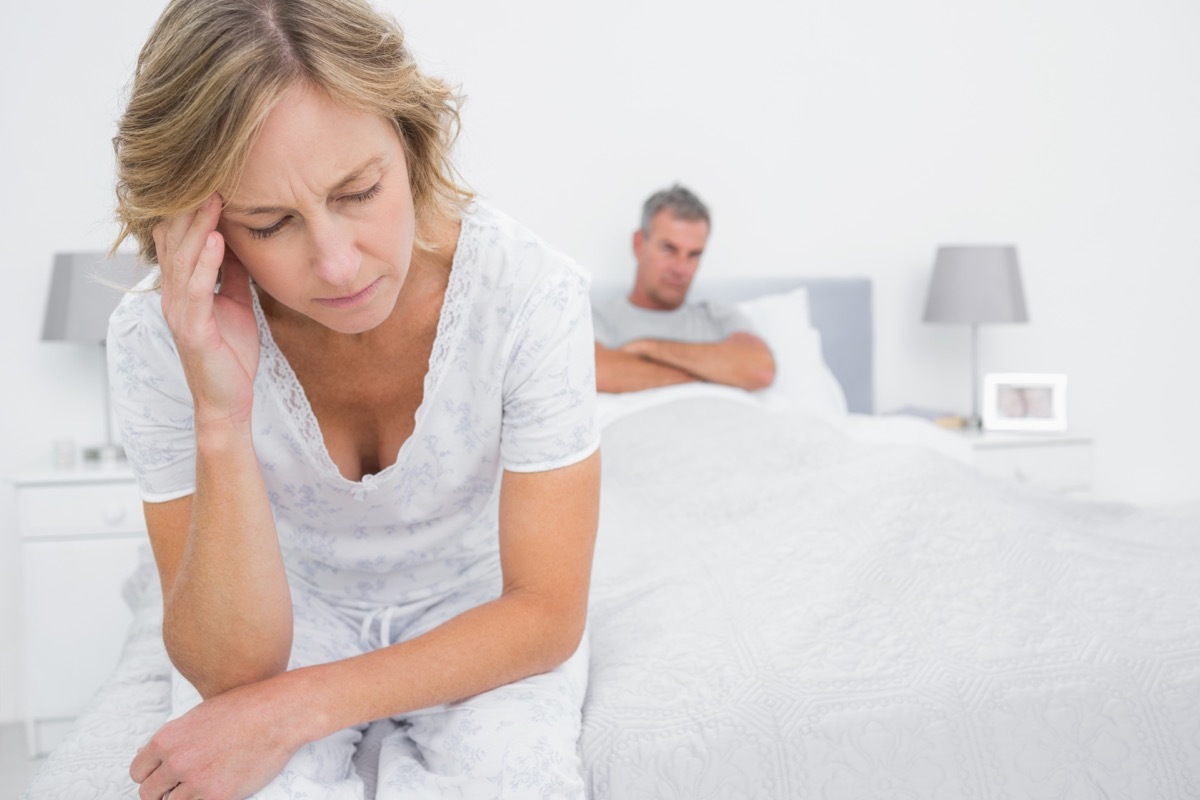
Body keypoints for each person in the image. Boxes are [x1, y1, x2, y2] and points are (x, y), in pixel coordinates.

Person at [106, 1, 600, 797]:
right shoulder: (157, 339)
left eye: (360, 191)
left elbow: (545, 610)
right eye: (271, 224)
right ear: (205, 230)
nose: (338, 266)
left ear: (408, 142)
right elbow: (232, 668)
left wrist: (300, 707)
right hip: (285, 613)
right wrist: (221, 415)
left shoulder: (531, 295)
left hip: (480, 615)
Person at [592, 185, 775, 394]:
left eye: (693, 255)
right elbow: (596, 373)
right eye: (669, 249)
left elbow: (760, 369)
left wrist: (647, 348)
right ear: (638, 244)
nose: (680, 269)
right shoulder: (597, 317)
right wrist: (716, 371)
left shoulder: (717, 316)